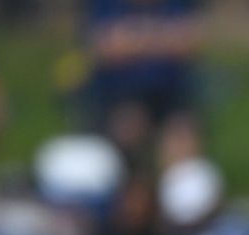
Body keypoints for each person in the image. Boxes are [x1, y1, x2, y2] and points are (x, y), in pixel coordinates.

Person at [82, 0, 203, 166]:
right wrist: (164, 38)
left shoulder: (177, 4)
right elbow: (108, 47)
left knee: (182, 135)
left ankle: (175, 187)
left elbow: (188, 42)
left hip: (171, 94)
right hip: (121, 94)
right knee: (129, 127)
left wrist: (133, 38)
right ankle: (132, 183)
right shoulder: (106, 5)